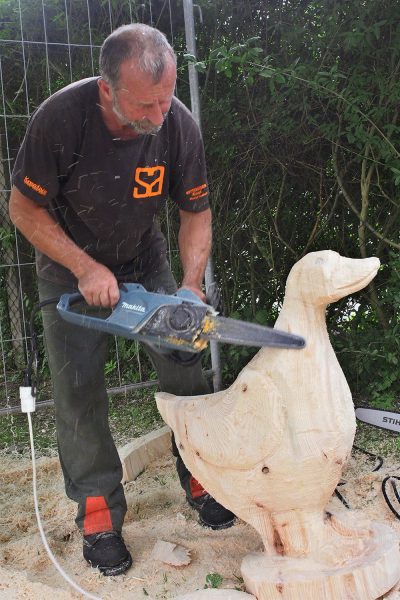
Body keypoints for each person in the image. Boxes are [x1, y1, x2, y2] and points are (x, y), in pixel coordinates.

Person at [9, 23, 235, 577]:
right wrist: (84, 267)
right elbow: (23, 209)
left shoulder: (176, 123)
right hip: (70, 272)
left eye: (166, 99)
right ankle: (98, 513)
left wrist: (189, 286)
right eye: (147, 104)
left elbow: (195, 212)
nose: (160, 114)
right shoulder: (61, 120)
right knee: (78, 389)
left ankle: (203, 474)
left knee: (185, 363)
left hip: (143, 258)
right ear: (108, 88)